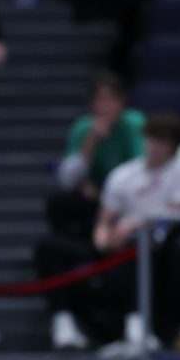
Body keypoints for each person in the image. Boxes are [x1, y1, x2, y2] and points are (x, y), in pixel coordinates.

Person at [38, 111, 180, 354]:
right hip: (116, 245)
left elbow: (177, 213)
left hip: (154, 245)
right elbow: (105, 217)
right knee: (49, 247)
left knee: (139, 251)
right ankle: (63, 323)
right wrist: (102, 236)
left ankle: (137, 328)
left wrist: (137, 225)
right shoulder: (124, 174)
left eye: (162, 141)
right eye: (151, 139)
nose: (155, 147)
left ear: (173, 145)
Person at [51, 72, 145, 238]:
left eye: (110, 99)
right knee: (59, 203)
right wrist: (91, 140)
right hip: (95, 201)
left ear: (122, 101)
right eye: (99, 99)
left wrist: (111, 192)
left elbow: (142, 170)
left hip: (127, 199)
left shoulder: (135, 124)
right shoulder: (82, 128)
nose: (105, 106)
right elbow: (66, 180)